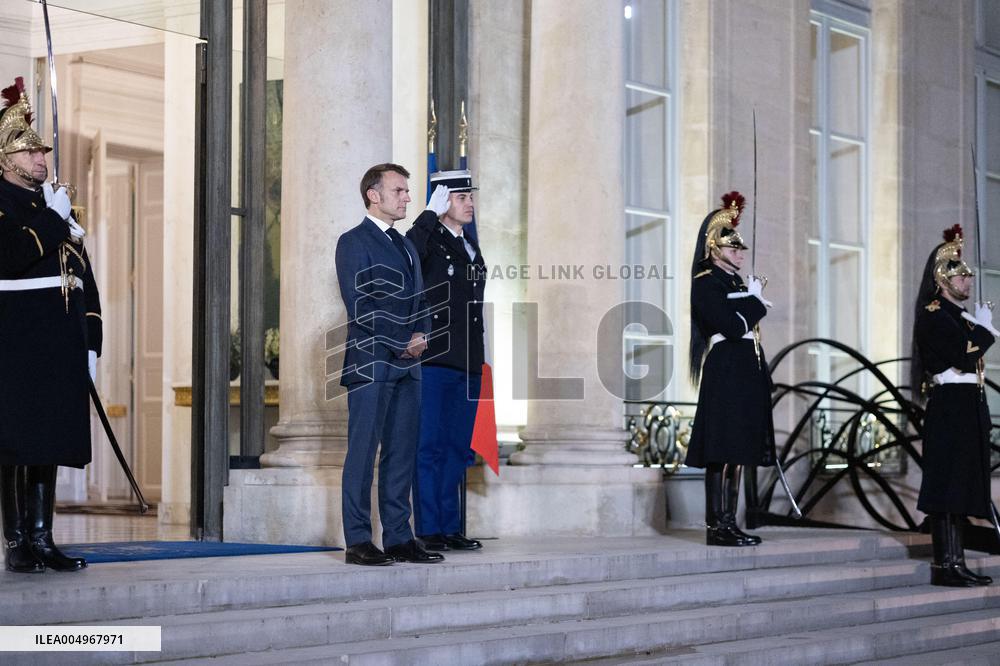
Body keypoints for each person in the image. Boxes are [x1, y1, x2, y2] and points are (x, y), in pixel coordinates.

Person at [0, 77, 101, 573]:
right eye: (30, 151)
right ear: (5, 159)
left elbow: (84, 281)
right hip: (17, 343)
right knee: (16, 444)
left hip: (60, 345)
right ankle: (16, 541)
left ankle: (43, 538)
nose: (42, 158)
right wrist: (55, 220)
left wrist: (92, 343)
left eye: (42, 151)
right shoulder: (10, 206)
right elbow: (11, 255)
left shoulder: (54, 208)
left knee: (51, 442)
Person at [334, 163, 441, 566]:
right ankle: (358, 540)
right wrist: (403, 339)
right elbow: (360, 304)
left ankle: (399, 537)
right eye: (399, 190)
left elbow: (422, 299)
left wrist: (422, 334)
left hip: (409, 366)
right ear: (373, 195)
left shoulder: (406, 245)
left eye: (406, 191)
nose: (407, 197)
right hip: (371, 362)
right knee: (363, 454)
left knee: (401, 453)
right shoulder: (352, 242)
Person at [685, 191, 775, 547]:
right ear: (713, 247)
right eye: (732, 247)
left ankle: (730, 522)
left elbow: (748, 330)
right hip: (725, 372)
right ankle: (716, 525)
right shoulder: (706, 281)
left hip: (745, 371)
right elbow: (735, 326)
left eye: (741, 248)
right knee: (722, 451)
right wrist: (755, 302)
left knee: (738, 452)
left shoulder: (734, 283)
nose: (740, 253)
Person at [911, 224, 997, 587]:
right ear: (943, 279)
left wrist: (976, 327)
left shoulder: (958, 316)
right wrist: (985, 331)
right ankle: (945, 564)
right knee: (948, 487)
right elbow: (963, 357)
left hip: (967, 406)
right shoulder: (934, 314)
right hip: (949, 408)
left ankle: (957, 562)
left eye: (969, 275)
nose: (968, 281)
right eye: (961, 276)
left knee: (962, 486)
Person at [405, 170, 486, 552]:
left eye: (471, 196)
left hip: (468, 360)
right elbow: (406, 256)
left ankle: (451, 527)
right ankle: (429, 528)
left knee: (457, 448)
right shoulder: (428, 240)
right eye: (461, 197)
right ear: (442, 201)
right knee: (430, 445)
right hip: (436, 357)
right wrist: (427, 216)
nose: (470, 203)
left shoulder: (470, 246)